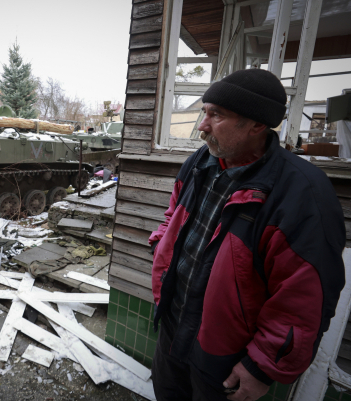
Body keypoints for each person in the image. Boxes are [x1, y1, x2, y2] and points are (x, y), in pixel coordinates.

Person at [148, 68, 346, 401]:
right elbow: (173, 215)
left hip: (226, 354)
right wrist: (161, 249)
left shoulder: (303, 193)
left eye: (217, 115)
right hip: (173, 324)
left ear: (257, 125)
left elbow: (302, 300)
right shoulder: (202, 162)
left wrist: (261, 367)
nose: (202, 126)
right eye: (204, 112)